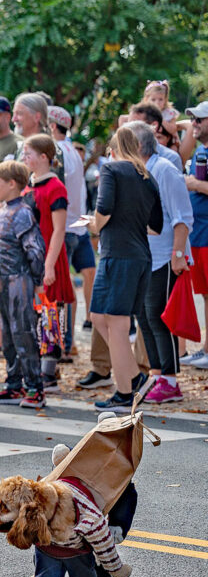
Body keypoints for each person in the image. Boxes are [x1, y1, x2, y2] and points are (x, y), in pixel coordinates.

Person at [87, 126, 163, 412]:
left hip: (118, 256)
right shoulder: (147, 176)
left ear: (114, 148)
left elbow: (103, 209)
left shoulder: (112, 169)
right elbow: (155, 227)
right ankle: (135, 377)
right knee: (99, 317)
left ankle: (124, 392)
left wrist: (93, 224)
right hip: (139, 255)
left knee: (116, 325)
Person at [126, 121, 193, 403]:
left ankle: (170, 379)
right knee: (144, 316)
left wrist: (178, 254)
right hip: (144, 256)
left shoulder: (164, 170)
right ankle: (157, 374)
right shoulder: (139, 170)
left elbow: (182, 216)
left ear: (138, 146)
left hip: (165, 255)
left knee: (158, 316)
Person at [0, 161, 47, 408]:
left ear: (12, 184)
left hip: (18, 279)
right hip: (2, 280)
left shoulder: (22, 212)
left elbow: (35, 250)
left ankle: (35, 387)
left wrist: (36, 280)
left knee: (23, 332)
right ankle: (14, 384)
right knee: (9, 335)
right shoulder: (2, 210)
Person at [22, 135, 76, 389]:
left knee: (51, 313)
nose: (24, 158)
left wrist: (49, 264)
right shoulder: (28, 185)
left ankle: (49, 371)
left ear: (44, 156)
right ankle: (36, 368)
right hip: (30, 258)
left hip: (48, 257)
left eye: (28, 153)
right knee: (36, 314)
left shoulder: (56, 188)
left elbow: (58, 229)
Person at [48, 107, 96, 343]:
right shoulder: (72, 151)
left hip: (65, 228)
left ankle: (58, 343)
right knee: (66, 291)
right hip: (75, 227)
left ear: (52, 126)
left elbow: (59, 194)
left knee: (57, 293)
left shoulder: (58, 151)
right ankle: (65, 343)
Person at [180, 102, 208, 369]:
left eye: (200, 119)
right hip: (198, 235)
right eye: (193, 120)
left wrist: (196, 184)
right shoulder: (200, 151)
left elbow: (196, 186)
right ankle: (206, 349)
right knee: (205, 295)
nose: (194, 124)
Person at [128, 102, 182, 171]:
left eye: (134, 124)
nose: (127, 128)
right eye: (127, 123)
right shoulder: (118, 154)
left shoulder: (170, 158)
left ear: (154, 126)